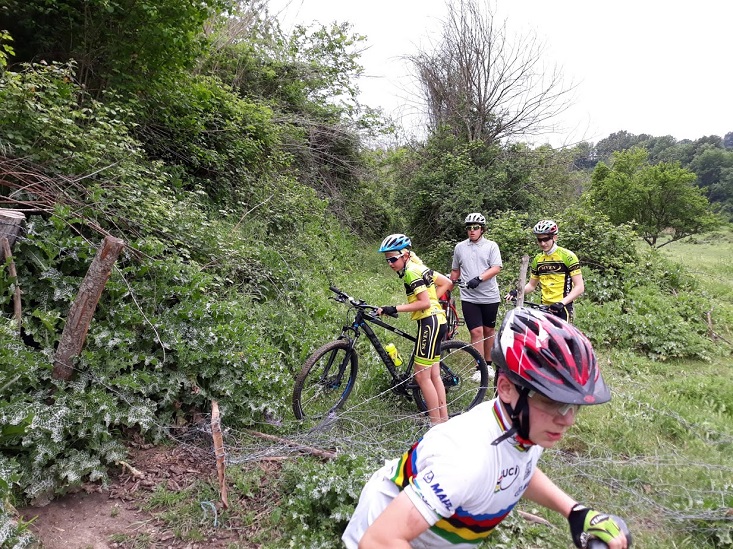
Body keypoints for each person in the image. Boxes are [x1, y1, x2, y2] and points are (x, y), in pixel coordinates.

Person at [342, 308, 629, 549]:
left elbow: (518, 469)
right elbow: (379, 540)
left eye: (572, 406)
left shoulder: (523, 425)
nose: (567, 420)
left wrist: (574, 511)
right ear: (505, 387)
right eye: (552, 402)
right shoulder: (465, 461)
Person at [376, 234, 453, 426]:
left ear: (405, 255)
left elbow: (424, 303)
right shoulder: (420, 267)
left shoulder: (411, 272)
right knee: (434, 375)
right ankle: (443, 421)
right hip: (438, 321)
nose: (390, 264)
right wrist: (434, 302)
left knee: (422, 377)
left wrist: (393, 308)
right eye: (387, 260)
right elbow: (446, 283)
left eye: (393, 259)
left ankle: (435, 425)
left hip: (430, 323)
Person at [506, 219, 584, 322]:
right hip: (544, 308)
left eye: (546, 239)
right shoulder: (538, 259)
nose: (543, 243)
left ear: (554, 237)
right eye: (539, 240)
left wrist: (561, 303)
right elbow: (531, 285)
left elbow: (579, 287)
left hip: (563, 308)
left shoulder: (568, 256)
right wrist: (517, 292)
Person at [450, 213, 503, 363]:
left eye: (475, 227)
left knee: (488, 330)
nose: (472, 230)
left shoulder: (491, 246)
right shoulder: (460, 247)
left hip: (489, 296)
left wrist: (479, 279)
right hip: (469, 297)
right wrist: (448, 288)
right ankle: (480, 367)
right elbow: (455, 270)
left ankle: (488, 363)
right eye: (469, 228)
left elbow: (496, 268)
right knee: (476, 331)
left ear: (482, 229)